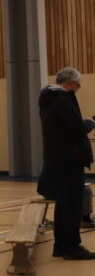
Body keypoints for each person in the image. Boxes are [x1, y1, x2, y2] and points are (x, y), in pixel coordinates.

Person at [39, 67, 95, 260]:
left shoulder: (49, 100)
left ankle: (60, 246)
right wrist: (91, 122)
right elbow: (78, 128)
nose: (78, 88)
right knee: (72, 206)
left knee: (63, 205)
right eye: (78, 84)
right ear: (70, 83)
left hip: (58, 160)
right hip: (69, 161)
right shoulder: (62, 100)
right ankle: (71, 247)